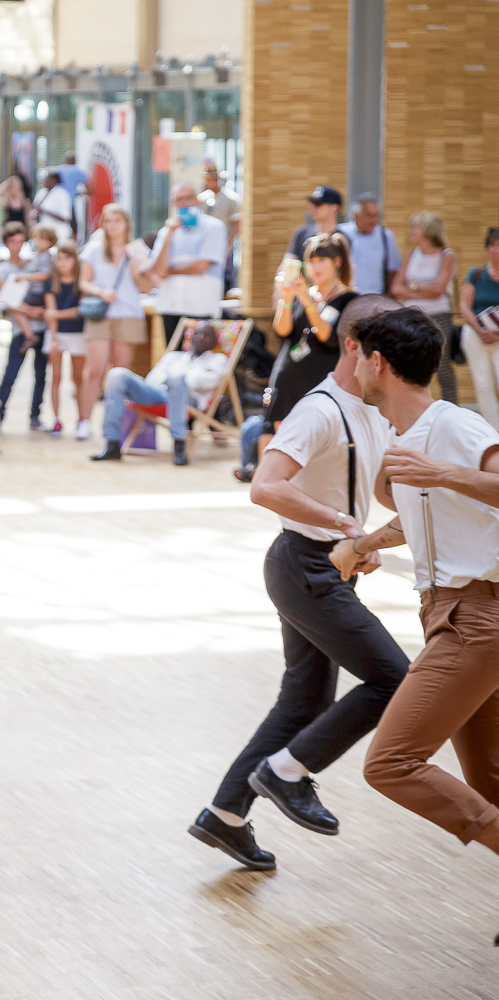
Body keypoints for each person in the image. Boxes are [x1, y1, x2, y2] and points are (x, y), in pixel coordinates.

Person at [191, 296, 410, 871]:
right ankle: (286, 774)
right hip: (303, 567)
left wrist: (367, 535)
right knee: (393, 679)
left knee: (304, 701)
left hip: (325, 566)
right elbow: (265, 485)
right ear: (357, 348)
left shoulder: (371, 408)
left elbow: (370, 485)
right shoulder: (320, 409)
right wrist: (339, 523)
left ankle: (225, 815)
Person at [327, 308, 499, 875]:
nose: (352, 366)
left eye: (357, 355)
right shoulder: (412, 436)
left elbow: (457, 484)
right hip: (454, 616)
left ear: (377, 363)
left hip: (472, 621)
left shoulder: (453, 426)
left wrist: (443, 474)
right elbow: (423, 514)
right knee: (490, 778)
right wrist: (360, 546)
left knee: (392, 762)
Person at [91, 321, 229, 466]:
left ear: (215, 341)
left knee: (176, 378)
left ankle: (179, 444)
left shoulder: (218, 360)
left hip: (189, 399)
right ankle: (112, 443)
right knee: (116, 374)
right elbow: (152, 379)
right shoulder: (174, 356)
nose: (200, 337)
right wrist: (176, 378)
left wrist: (177, 378)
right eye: (197, 333)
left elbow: (205, 382)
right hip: (158, 394)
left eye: (206, 335)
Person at [265, 232, 358, 435]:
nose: (316, 267)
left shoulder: (349, 300)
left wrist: (309, 302)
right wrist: (286, 298)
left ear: (337, 262)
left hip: (322, 387)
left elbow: (329, 337)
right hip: (288, 385)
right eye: (312, 261)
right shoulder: (301, 293)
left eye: (322, 260)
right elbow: (282, 331)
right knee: (283, 443)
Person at [77, 203, 153, 442]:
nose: (112, 226)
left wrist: (135, 269)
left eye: (117, 221)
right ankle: (84, 421)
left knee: (120, 373)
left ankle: (115, 424)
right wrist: (101, 292)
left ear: (126, 224)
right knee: (95, 370)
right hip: (102, 314)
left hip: (129, 314)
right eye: (108, 221)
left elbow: (147, 287)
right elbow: (83, 282)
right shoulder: (94, 249)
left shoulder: (137, 249)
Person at [391, 211, 458, 405]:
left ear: (428, 230)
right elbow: (396, 288)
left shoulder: (447, 255)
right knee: (409, 361)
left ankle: (452, 406)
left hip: (439, 315)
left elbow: (439, 289)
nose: (411, 231)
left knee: (442, 364)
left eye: (415, 227)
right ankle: (412, 406)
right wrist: (422, 290)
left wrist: (411, 287)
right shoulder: (410, 255)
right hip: (411, 316)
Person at [0, 223, 56, 429]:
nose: (17, 246)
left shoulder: (33, 263)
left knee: (41, 374)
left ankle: (35, 416)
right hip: (20, 330)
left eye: (21, 241)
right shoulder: (3, 268)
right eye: (12, 241)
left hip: (41, 327)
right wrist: (31, 312)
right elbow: (8, 299)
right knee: (11, 373)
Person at [152, 182, 229, 340]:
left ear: (197, 199)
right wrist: (170, 234)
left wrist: (170, 270)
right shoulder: (166, 231)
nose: (184, 203)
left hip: (200, 307)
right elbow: (159, 270)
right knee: (174, 358)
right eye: (179, 199)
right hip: (171, 305)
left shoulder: (213, 227)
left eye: (188, 198)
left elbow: (201, 266)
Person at [42, 241, 88, 437]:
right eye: (59, 259)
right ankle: (57, 419)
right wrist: (53, 338)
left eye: (66, 259)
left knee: (78, 378)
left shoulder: (81, 282)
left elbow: (80, 310)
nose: (62, 263)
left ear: (74, 260)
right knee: (56, 377)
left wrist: (56, 315)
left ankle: (82, 419)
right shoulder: (51, 283)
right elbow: (50, 311)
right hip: (57, 335)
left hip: (78, 334)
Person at [460, 228, 499, 430]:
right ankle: (493, 431)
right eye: (493, 245)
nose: (497, 250)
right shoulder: (476, 274)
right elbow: (464, 306)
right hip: (476, 335)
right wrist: (479, 329)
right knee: (483, 384)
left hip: (498, 337)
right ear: (487, 248)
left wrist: (496, 334)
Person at [337, 193, 401, 295]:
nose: (373, 220)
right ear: (355, 215)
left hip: (375, 299)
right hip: (345, 299)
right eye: (369, 215)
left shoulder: (385, 236)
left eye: (376, 215)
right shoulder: (340, 233)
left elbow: (392, 271)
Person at [285, 186, 342, 264]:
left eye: (318, 204)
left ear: (334, 207)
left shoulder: (342, 239)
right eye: (312, 203)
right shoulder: (302, 233)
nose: (312, 207)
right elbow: (287, 264)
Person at [32, 171, 74, 241]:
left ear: (54, 180)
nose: (44, 181)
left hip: (59, 233)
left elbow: (66, 218)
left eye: (47, 178)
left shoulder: (62, 194)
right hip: (43, 233)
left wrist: (45, 211)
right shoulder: (41, 193)